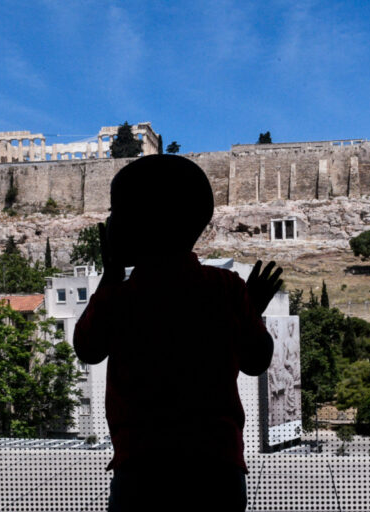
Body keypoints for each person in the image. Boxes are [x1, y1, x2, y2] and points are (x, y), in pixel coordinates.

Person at [73, 154, 283, 512]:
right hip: (217, 470)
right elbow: (256, 361)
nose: (108, 222)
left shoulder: (124, 296)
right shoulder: (226, 288)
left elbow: (88, 349)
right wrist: (253, 311)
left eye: (115, 211)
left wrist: (109, 279)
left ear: (140, 224)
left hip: (142, 470)